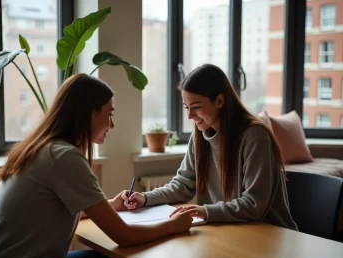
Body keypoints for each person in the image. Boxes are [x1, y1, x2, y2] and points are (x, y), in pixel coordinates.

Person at [0, 73, 193, 258]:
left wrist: (111, 205)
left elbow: (59, 207)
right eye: (109, 114)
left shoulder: (44, 147)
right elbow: (124, 237)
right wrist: (175, 225)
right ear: (89, 113)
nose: (112, 125)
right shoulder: (64, 157)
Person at [119, 64, 298, 231]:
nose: (190, 115)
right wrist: (146, 198)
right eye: (186, 107)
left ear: (219, 101)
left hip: (268, 233)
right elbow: (182, 185)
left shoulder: (255, 136)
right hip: (229, 229)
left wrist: (205, 212)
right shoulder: (200, 135)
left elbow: (254, 204)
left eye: (196, 107)